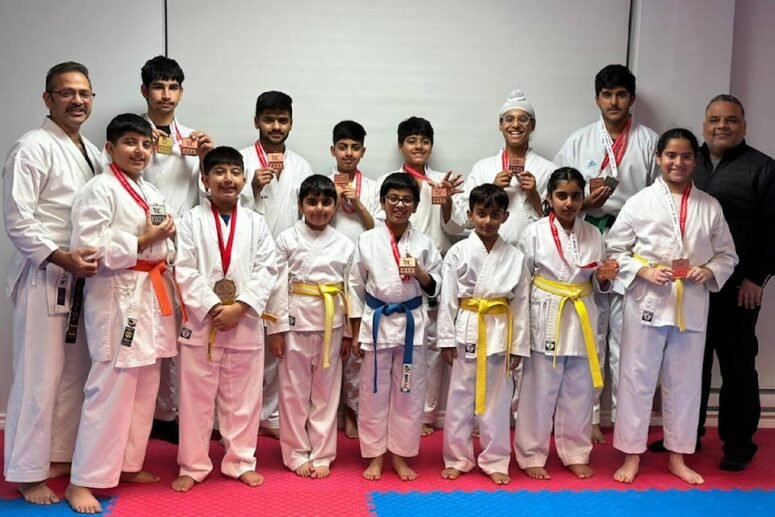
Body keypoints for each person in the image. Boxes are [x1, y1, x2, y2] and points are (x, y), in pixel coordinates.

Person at [650, 95, 775, 471]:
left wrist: (758, 277)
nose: (722, 126)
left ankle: (739, 443)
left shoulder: (763, 169)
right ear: (704, 124)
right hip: (689, 286)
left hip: (738, 286)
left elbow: (774, 229)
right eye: (715, 119)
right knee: (689, 364)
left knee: (737, 364)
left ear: (744, 126)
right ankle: (687, 433)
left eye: (731, 120)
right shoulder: (690, 161)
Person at [608, 128, 737, 485]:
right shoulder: (639, 202)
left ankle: (678, 455)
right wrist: (644, 270)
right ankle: (632, 454)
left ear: (695, 160)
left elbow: (728, 255)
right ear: (658, 158)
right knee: (636, 378)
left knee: (685, 381)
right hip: (647, 301)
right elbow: (613, 251)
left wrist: (708, 269)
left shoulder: (709, 206)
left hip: (691, 301)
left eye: (685, 157)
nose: (678, 163)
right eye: (671, 156)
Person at [65, 114, 180, 513]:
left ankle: (126, 465)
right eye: (130, 142)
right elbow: (88, 249)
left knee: (144, 387)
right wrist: (145, 238)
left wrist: (166, 246)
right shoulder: (98, 190)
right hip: (116, 297)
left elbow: (167, 240)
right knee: (109, 390)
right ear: (110, 149)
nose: (140, 150)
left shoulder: (150, 190)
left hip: (150, 293)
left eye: (146, 144)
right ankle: (83, 480)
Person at [2, 61, 102, 505]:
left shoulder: (92, 152)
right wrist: (61, 256)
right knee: (38, 377)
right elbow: (17, 218)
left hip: (82, 276)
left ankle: (58, 454)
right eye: (66, 93)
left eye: (84, 93)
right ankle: (26, 471)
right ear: (48, 99)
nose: (77, 100)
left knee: (74, 375)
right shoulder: (32, 146)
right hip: (46, 273)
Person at [554, 64, 659, 443]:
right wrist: (582, 205)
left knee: (629, 338)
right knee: (589, 333)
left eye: (621, 94)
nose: (614, 102)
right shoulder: (579, 141)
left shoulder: (650, 141)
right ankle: (591, 418)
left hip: (633, 245)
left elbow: (660, 200)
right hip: (588, 237)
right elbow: (558, 197)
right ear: (597, 98)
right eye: (607, 94)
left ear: (631, 98)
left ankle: (630, 421)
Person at [172, 146, 278, 492]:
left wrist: (242, 305)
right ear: (205, 179)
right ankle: (193, 464)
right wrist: (214, 306)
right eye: (219, 172)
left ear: (244, 179)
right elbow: (183, 268)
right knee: (195, 399)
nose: (227, 179)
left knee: (244, 399)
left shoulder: (257, 222)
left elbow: (268, 269)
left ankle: (241, 460)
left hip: (243, 321)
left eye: (235, 172)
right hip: (204, 322)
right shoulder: (190, 220)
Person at [514, 168, 614, 480]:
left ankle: (575, 451)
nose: (569, 203)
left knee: (579, 390)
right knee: (538, 390)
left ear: (583, 198)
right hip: (546, 314)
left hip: (582, 313)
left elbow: (599, 284)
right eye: (561, 196)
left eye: (575, 196)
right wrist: (522, 329)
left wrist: (603, 279)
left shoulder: (594, 234)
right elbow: (521, 284)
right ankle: (531, 453)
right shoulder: (533, 233)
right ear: (548, 198)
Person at [138, 55, 214, 444]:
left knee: (184, 332)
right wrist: (145, 150)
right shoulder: (133, 138)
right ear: (145, 91)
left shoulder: (190, 138)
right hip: (144, 249)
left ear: (181, 92)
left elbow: (206, 194)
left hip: (182, 249)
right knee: (148, 334)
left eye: (172, 87)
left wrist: (205, 158)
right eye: (158, 87)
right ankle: (148, 413)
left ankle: (177, 412)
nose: (166, 95)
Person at [349, 172, 443, 481]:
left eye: (406, 200)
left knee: (409, 392)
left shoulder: (425, 243)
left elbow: (436, 285)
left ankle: (401, 455)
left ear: (416, 206)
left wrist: (420, 273)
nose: (399, 205)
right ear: (382, 202)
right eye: (393, 199)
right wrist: (354, 330)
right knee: (373, 390)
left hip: (411, 324)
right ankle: (375, 456)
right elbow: (354, 286)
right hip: (376, 323)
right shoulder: (366, 240)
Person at [375, 116, 465, 436]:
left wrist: (447, 201)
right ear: (401, 145)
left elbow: (456, 228)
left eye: (424, 141)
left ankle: (425, 414)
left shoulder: (442, 181)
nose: (418, 146)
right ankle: (387, 407)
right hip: (395, 269)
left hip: (431, 268)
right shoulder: (387, 181)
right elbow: (378, 226)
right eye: (411, 140)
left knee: (429, 346)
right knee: (392, 346)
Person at [437, 184, 530, 485]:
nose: (487, 221)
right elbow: (448, 299)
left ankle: (495, 459)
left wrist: (518, 345)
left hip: (500, 330)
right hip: (467, 327)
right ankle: (457, 457)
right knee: (460, 399)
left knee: (498, 401)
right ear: (470, 215)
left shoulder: (515, 256)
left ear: (505, 216)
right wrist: (446, 339)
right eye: (481, 214)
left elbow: (521, 303)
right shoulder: (458, 251)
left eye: (494, 215)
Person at [267, 175, 355, 478]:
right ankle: (294, 452)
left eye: (326, 202)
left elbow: (351, 289)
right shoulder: (286, 239)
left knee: (326, 393)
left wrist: (348, 332)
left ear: (336, 206)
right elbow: (277, 286)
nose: (319, 208)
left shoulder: (344, 243)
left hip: (332, 322)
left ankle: (322, 453)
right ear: (300, 205)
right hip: (294, 323)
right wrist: (275, 329)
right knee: (293, 392)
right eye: (312, 202)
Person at [239, 90, 313, 438]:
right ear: (256, 121)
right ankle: (237, 413)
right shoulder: (240, 161)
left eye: (282, 120)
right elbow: (226, 207)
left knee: (279, 341)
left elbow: (307, 215)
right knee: (242, 340)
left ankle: (269, 413)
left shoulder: (301, 166)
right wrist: (251, 187)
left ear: (291, 124)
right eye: (269, 119)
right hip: (245, 262)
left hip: (287, 265)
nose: (276, 126)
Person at [328, 120, 378, 439]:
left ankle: (355, 410)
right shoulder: (320, 183)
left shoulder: (373, 187)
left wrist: (357, 202)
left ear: (362, 151)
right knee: (332, 343)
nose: (348, 153)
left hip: (362, 267)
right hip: (329, 267)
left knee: (358, 342)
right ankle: (333, 410)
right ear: (333, 150)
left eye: (354, 147)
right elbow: (311, 221)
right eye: (342, 147)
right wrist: (332, 198)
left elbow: (377, 231)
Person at [462, 89, 555, 245]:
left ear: (532, 125)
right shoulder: (482, 167)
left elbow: (557, 223)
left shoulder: (549, 170)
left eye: (523, 119)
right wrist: (491, 189)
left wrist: (534, 196)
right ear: (501, 125)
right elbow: (465, 218)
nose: (516, 125)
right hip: (487, 249)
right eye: (509, 119)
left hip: (532, 251)